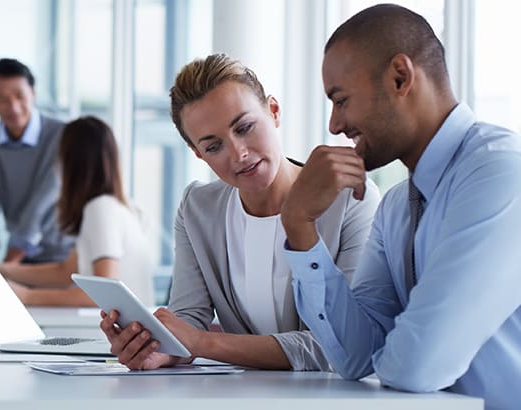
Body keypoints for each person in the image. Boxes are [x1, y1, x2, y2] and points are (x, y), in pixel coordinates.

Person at [280, 4, 521, 409]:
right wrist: (299, 223)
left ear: (401, 77)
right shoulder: (397, 206)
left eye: (341, 100)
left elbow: (417, 368)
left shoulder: (504, 176)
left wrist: (396, 349)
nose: (334, 125)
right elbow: (355, 356)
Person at [99, 53, 380, 371]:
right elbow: (187, 319)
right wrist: (161, 348)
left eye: (245, 127)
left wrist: (202, 343)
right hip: (241, 396)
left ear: (273, 111)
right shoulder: (198, 208)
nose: (239, 153)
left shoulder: (350, 201)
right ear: (198, 154)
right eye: (213, 146)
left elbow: (340, 344)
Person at [0, 116, 155, 307]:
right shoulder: (122, 207)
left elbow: (105, 294)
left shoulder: (100, 209)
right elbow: (65, 272)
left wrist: (26, 296)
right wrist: (2, 270)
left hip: (117, 333)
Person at [0, 58, 73, 264]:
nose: (14, 108)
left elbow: (44, 199)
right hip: (22, 258)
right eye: (3, 99)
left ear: (33, 93)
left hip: (65, 255)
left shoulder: (63, 136)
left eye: (20, 96)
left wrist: (9, 263)